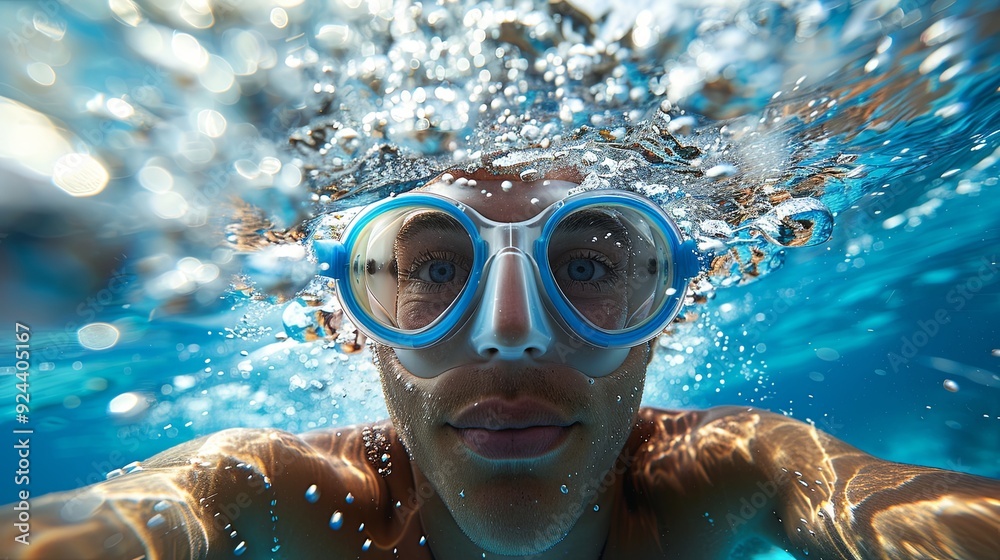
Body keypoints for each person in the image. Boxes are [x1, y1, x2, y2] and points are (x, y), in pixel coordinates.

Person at [3, 165, 998, 560]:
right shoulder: (265, 493)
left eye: (586, 266)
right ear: (360, 319)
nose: (510, 334)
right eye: (436, 268)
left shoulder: (733, 471)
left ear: (659, 312)